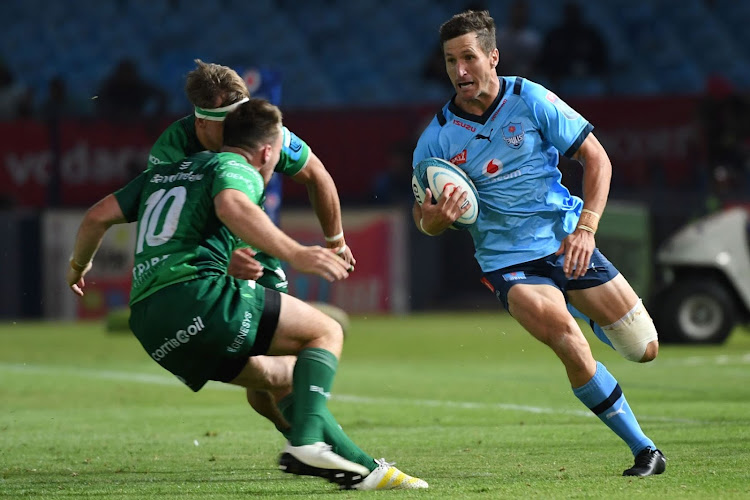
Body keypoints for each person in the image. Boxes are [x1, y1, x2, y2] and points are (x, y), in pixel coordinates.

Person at [66, 98, 428, 491]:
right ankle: (306, 443)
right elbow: (230, 203)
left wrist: (78, 266)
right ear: (268, 150)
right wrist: (297, 253)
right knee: (326, 332)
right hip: (198, 297)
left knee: (282, 377)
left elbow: (97, 216)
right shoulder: (235, 165)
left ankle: (365, 471)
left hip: (152, 325)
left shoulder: (165, 169)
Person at [412, 10, 665, 477]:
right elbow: (423, 219)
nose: (460, 71)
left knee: (643, 349)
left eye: (469, 58)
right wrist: (433, 220)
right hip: (506, 259)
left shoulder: (529, 99)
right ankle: (645, 449)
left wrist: (586, 227)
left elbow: (597, 158)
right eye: (450, 61)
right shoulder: (436, 140)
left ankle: (589, 310)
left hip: (567, 240)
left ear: (493, 56)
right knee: (566, 338)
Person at [536, 2, 608, 88]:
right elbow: (545, 62)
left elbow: (602, 60)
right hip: (560, 80)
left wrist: (588, 68)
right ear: (565, 14)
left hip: (588, 79)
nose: (572, 16)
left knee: (596, 85)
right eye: (570, 13)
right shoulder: (555, 35)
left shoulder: (590, 35)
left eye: (575, 12)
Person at [495, 0, 542, 78]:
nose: (518, 15)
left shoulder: (533, 38)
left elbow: (535, 63)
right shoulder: (500, 35)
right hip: (502, 74)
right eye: (516, 11)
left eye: (521, 12)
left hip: (527, 76)